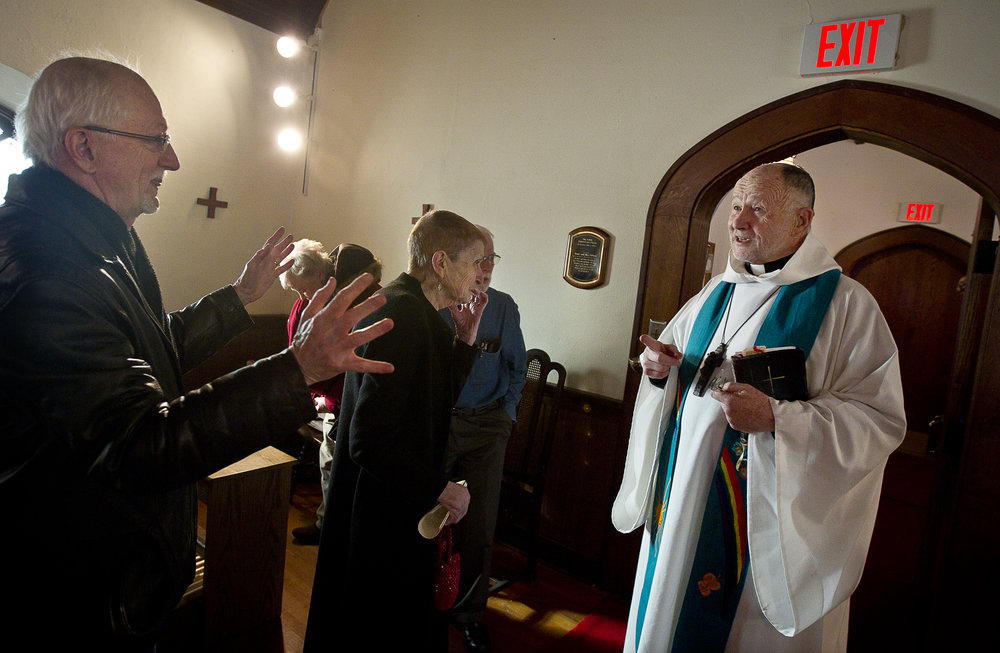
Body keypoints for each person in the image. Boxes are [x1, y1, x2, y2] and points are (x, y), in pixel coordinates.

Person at [0, 56, 393, 652]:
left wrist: (239, 299)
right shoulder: (50, 268)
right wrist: (299, 366)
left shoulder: (101, 238)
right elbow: (139, 446)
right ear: (82, 147)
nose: (171, 159)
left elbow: (152, 350)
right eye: (154, 140)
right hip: (75, 599)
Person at [612, 162, 906, 652]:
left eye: (759, 208)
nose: (739, 220)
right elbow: (680, 367)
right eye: (735, 206)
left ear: (802, 221)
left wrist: (777, 418)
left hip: (762, 519)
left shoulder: (846, 306)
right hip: (685, 495)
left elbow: (879, 420)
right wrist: (661, 370)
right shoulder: (715, 293)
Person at [304, 210, 489, 652]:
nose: (481, 275)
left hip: (389, 499)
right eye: (475, 262)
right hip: (383, 513)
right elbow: (368, 438)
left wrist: (464, 343)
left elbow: (426, 402)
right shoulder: (404, 315)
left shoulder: (413, 307)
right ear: (441, 262)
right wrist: (439, 488)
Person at [440, 226, 526, 653]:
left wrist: (505, 418)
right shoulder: (433, 307)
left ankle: (468, 614)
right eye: (479, 258)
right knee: (427, 515)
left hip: (486, 428)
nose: (486, 268)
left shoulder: (504, 308)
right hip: (437, 427)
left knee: (478, 524)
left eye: (492, 259)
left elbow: (518, 367)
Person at [281, 240, 383, 544]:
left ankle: (341, 531)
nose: (301, 296)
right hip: (325, 397)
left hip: (345, 396)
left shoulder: (341, 301)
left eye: (304, 288)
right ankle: (328, 526)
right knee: (330, 463)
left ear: (321, 276)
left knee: (342, 467)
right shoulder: (310, 299)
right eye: (296, 292)